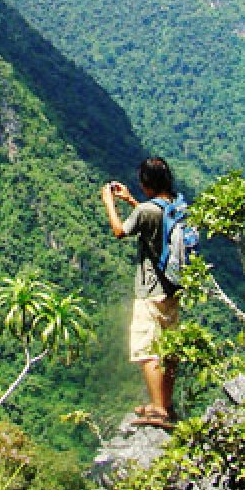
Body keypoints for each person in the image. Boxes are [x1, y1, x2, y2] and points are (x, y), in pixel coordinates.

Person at [101, 157, 181, 429]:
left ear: (146, 183)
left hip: (151, 289)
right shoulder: (175, 204)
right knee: (168, 348)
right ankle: (165, 405)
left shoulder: (148, 210)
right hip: (173, 288)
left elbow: (120, 231)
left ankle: (159, 410)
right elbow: (153, 222)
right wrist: (132, 201)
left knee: (148, 350)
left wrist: (109, 203)